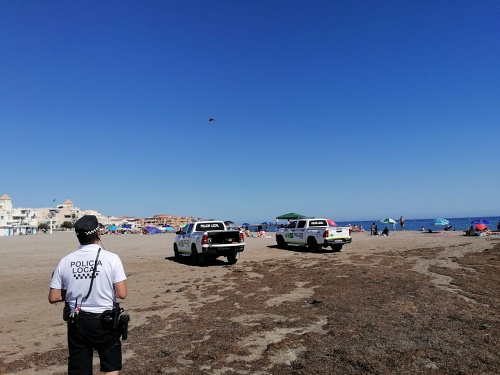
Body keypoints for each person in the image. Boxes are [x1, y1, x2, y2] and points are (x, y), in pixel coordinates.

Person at [49, 215, 128, 375]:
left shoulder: (65, 261)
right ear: (98, 234)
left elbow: (54, 297)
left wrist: (74, 290)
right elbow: (122, 293)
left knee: (79, 369)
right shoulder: (111, 258)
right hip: (104, 320)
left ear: (78, 236)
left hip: (77, 321)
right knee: (111, 366)